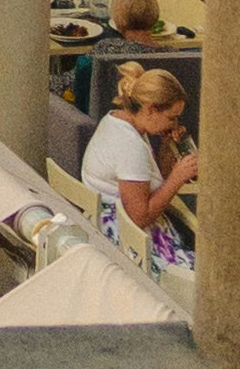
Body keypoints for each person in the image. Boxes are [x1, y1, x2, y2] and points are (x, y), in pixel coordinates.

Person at [84, 61, 200, 265]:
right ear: (151, 109)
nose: (175, 124)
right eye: (171, 118)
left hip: (106, 221)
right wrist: (178, 178)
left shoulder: (118, 120)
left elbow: (151, 180)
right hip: (128, 239)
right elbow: (139, 216)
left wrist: (166, 147)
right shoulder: (129, 145)